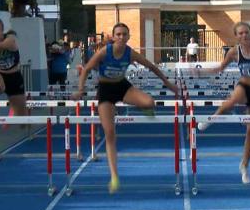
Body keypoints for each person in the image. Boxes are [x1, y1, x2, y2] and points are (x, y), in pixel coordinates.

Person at [72, 22, 179, 193]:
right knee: (110, 133)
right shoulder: (104, 52)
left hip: (122, 86)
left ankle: (143, 107)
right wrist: (80, 90)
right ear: (114, 37)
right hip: (105, 91)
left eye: (124, 34)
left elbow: (152, 67)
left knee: (150, 102)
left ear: (128, 37)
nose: (121, 37)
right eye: (118, 34)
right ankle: (114, 176)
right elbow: (86, 70)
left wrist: (168, 84)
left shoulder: (130, 53)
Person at [195, 22, 250, 184]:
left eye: (246, 32)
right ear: (236, 36)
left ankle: (244, 166)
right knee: (233, 100)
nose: (244, 35)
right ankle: (212, 118)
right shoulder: (234, 52)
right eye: (240, 33)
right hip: (244, 86)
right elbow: (220, 68)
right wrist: (201, 72)